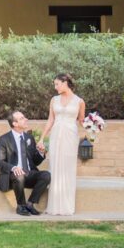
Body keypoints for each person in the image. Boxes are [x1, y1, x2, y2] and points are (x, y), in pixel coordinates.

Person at [39, 72, 85, 216]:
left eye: (57, 84)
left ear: (65, 83)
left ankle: (66, 206)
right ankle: (54, 206)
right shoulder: (54, 100)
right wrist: (41, 138)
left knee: (68, 168)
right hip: (55, 136)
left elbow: (82, 121)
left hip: (70, 137)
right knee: (56, 167)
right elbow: (50, 120)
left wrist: (95, 126)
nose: (55, 87)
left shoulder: (79, 101)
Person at [0, 109, 50, 216]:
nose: (26, 119)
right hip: (13, 177)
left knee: (46, 175)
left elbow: (35, 161)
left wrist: (41, 153)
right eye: (22, 118)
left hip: (29, 173)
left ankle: (30, 203)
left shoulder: (29, 138)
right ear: (14, 123)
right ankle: (21, 206)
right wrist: (14, 168)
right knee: (19, 175)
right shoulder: (3, 139)